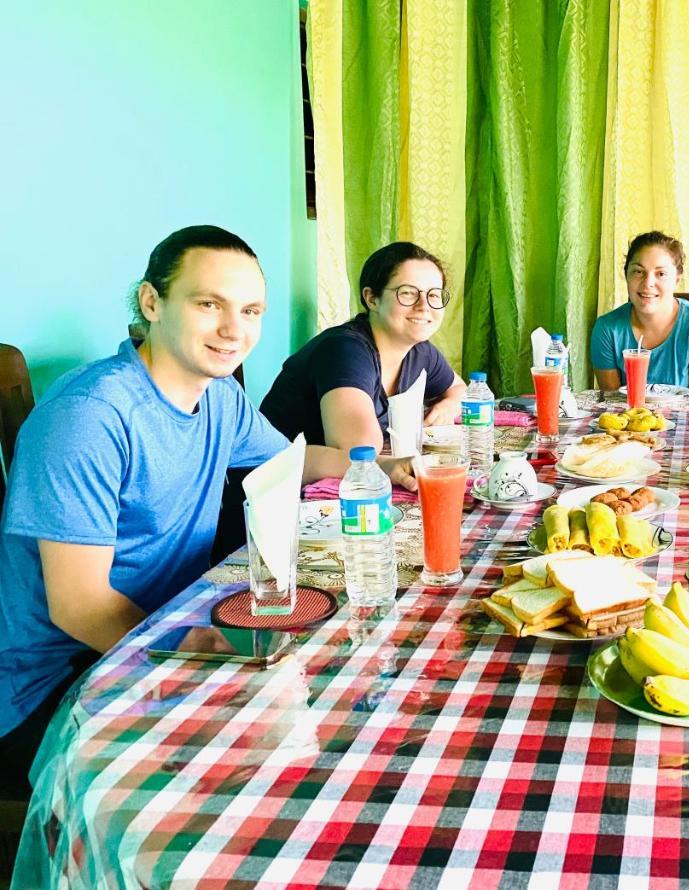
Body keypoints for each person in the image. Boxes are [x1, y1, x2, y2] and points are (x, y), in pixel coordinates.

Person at [0, 226, 415, 798]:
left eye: (250, 310)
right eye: (208, 304)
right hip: (58, 682)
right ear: (152, 303)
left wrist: (377, 465)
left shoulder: (218, 397)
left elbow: (294, 458)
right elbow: (80, 609)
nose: (233, 329)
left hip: (163, 624)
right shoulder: (89, 417)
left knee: (359, 694)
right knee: (295, 769)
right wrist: (200, 653)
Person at [260, 242, 465, 451]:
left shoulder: (420, 351)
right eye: (408, 293)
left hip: (344, 478)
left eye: (433, 295)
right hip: (277, 480)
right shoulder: (344, 350)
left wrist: (447, 407)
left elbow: (461, 390)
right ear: (372, 299)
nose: (424, 306)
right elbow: (359, 451)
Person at [590, 231, 689, 395]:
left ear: (676, 280)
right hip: (628, 419)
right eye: (638, 272)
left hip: (686, 420)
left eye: (661, 274)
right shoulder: (607, 328)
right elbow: (612, 406)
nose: (648, 283)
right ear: (626, 275)